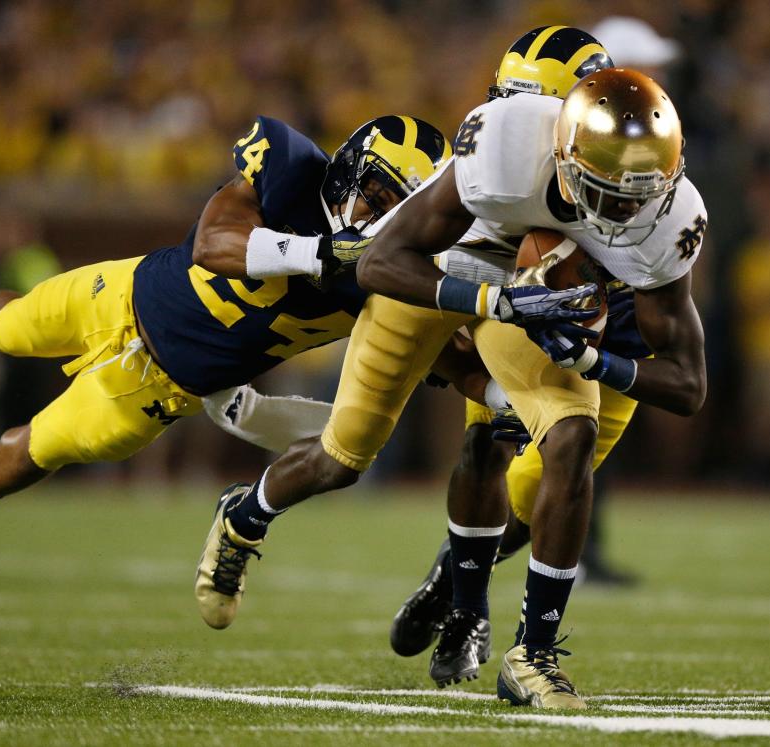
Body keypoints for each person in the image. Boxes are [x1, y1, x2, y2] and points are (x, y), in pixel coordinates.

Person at [194, 62, 707, 710]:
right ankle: (244, 517)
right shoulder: (504, 147)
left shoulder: (671, 218)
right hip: (442, 279)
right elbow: (382, 263)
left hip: (523, 302)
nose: (628, 213)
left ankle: (532, 655)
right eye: (610, 193)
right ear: (564, 152)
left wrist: (593, 361)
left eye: (641, 196)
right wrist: (493, 301)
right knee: (342, 455)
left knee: (568, 435)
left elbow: (689, 384)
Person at [0, 113, 451, 547]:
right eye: (378, 196)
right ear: (350, 166)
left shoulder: (383, 278)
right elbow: (212, 246)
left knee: (35, 451)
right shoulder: (291, 168)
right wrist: (318, 253)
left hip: (156, 392)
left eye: (397, 211)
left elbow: (434, 345)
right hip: (125, 294)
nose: (378, 219)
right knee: (10, 324)